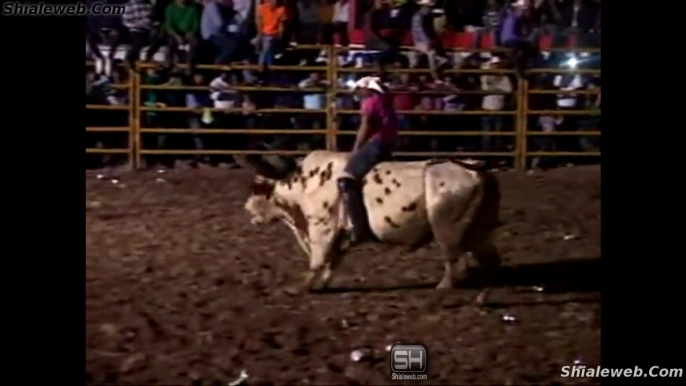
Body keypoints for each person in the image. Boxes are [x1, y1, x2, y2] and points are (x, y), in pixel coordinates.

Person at [337, 76, 399, 244]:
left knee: (346, 179)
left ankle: (359, 227)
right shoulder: (385, 101)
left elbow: (366, 126)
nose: (357, 92)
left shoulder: (370, 103)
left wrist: (356, 150)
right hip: (388, 143)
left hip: (376, 144)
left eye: (359, 89)